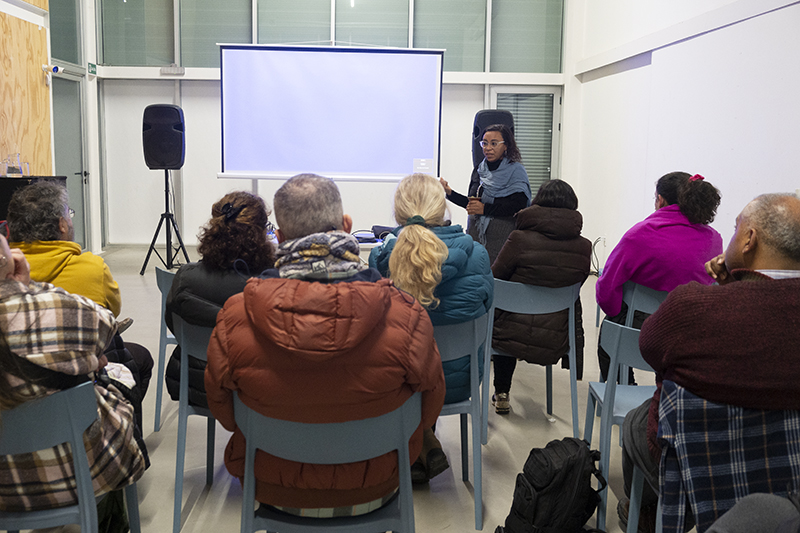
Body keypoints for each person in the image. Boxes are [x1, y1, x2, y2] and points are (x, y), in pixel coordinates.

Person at [205, 174, 445, 517]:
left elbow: (225, 413)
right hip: (375, 486)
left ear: (281, 237)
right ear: (347, 226)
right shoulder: (407, 315)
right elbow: (427, 410)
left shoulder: (234, 315)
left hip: (273, 486)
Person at [618, 193, 800, 532]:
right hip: (788, 475)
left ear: (749, 240)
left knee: (633, 422)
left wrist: (727, 286)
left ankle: (643, 516)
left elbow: (650, 348)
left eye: (735, 230)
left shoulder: (691, 307)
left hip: (700, 466)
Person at [0, 235, 147, 512]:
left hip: (4, 492)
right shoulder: (45, 310)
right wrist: (26, 287)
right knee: (116, 380)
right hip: (74, 480)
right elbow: (106, 324)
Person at [369, 172, 493, 481]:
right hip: (461, 380)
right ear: (443, 208)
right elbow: (487, 313)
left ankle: (413, 447)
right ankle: (424, 443)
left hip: (398, 384)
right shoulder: (478, 255)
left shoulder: (381, 257)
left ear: (399, 212)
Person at [6, 180, 154, 400]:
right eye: (69, 214)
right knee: (139, 358)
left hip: (14, 396)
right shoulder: (92, 268)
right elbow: (113, 312)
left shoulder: (5, 277)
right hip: (82, 389)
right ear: (62, 225)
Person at [595, 171, 722, 382]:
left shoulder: (639, 235)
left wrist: (616, 311)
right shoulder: (714, 239)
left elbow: (607, 289)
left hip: (639, 331)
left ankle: (625, 394)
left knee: (608, 341)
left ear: (660, 199)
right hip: (691, 333)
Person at [164, 191, 276, 408]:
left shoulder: (185, 278)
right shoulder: (273, 284)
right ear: (261, 233)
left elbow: (175, 327)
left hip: (198, 384)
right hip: (255, 393)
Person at [489, 179, 591, 414]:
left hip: (509, 333)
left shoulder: (519, 239)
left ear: (538, 203)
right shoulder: (584, 247)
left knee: (505, 317)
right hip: (557, 333)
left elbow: (495, 279)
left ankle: (502, 392)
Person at [440, 123, 531, 263]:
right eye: (485, 143)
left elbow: (518, 205)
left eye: (494, 143)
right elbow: (473, 204)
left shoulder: (516, 171)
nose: (487, 148)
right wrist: (449, 193)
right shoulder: (479, 169)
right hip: (476, 234)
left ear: (506, 145)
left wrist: (485, 209)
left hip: (502, 237)